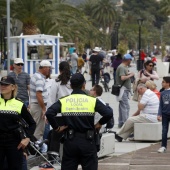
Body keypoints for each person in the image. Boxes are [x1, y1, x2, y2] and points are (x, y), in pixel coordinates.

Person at [46, 73, 113, 170]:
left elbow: (49, 113)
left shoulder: (64, 101)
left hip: (70, 142)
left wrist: (57, 128)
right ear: (84, 85)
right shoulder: (92, 100)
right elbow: (108, 113)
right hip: (88, 142)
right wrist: (99, 123)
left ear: (71, 85)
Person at [0, 76, 36, 170]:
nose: (2, 86)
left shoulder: (19, 104)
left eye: (6, 85)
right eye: (1, 84)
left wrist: (27, 138)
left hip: (14, 141)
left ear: (13, 87)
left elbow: (32, 123)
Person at [47, 61, 72, 154]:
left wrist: (48, 113)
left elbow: (51, 98)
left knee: (56, 136)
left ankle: (53, 156)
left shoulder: (57, 82)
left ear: (59, 70)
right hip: (71, 114)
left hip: (58, 114)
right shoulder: (73, 81)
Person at [30, 60, 53, 141]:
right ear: (45, 68)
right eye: (49, 68)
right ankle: (35, 148)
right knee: (38, 130)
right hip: (38, 106)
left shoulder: (35, 76)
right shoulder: (40, 78)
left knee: (35, 128)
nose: (50, 71)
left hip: (35, 105)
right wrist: (43, 109)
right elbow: (39, 94)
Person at [115, 54, 135, 128]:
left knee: (122, 106)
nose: (131, 61)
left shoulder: (123, 67)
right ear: (128, 60)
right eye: (130, 60)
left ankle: (121, 122)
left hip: (123, 89)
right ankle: (125, 124)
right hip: (123, 89)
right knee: (126, 107)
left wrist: (129, 74)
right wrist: (131, 75)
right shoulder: (122, 67)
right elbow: (122, 78)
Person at [157, 76, 170, 153]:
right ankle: (163, 146)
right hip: (165, 114)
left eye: (164, 82)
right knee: (164, 130)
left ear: (168, 83)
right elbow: (160, 105)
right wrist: (159, 114)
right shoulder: (162, 93)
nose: (162, 83)